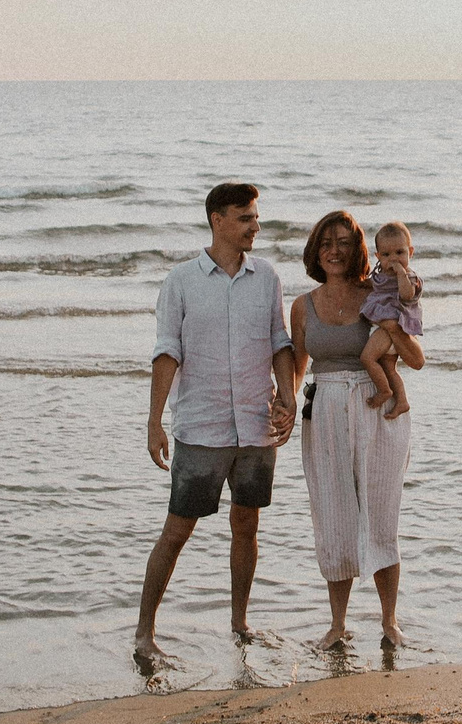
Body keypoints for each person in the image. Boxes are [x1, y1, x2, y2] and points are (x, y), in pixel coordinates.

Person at [135, 182, 298, 666]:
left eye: (256, 217)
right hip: (200, 428)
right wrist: (154, 421)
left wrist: (287, 397)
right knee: (176, 531)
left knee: (247, 526)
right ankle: (145, 633)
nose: (255, 226)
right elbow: (167, 352)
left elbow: (279, 343)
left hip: (255, 427)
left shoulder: (266, 276)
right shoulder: (181, 280)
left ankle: (240, 622)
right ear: (217, 220)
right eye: (245, 217)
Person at [289, 210, 424, 651]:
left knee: (382, 513)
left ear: (358, 250)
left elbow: (415, 358)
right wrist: (284, 401)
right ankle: (338, 624)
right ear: (315, 249)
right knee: (334, 516)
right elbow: (298, 366)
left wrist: (389, 326)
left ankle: (389, 622)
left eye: (344, 242)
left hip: (378, 407)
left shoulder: (378, 293)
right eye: (325, 241)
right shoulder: (302, 306)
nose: (333, 250)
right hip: (323, 410)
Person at [359, 221, 423, 413]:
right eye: (386, 255)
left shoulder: (409, 277)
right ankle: (402, 400)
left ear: (410, 252)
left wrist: (401, 274)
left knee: (367, 358)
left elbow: (406, 295)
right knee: (388, 366)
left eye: (400, 253)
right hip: (384, 326)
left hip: (393, 326)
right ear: (377, 256)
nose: (393, 259)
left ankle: (385, 390)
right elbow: (371, 285)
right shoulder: (381, 274)